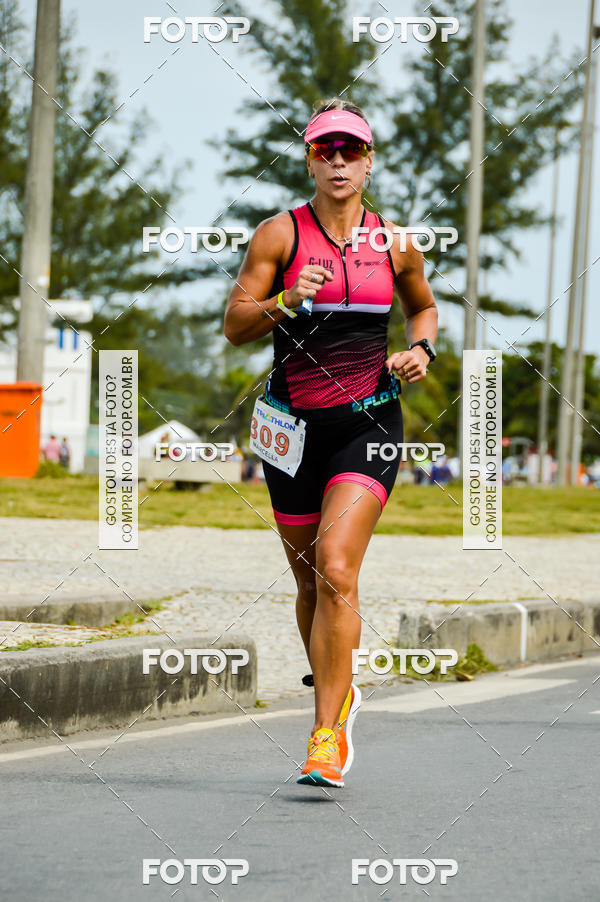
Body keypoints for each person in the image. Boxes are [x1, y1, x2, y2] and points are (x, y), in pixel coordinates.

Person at [224, 99, 438, 788]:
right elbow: (234, 324)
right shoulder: (279, 235)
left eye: (351, 150)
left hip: (369, 423)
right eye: (326, 150)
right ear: (310, 160)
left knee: (338, 568)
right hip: (291, 430)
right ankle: (338, 682)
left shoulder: (395, 241)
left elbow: (423, 305)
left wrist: (421, 349)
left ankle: (325, 735)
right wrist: (286, 298)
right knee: (309, 581)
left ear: (369, 160)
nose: (339, 161)